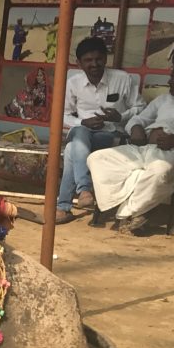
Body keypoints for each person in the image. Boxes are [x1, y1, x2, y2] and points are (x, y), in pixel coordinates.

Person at [86, 59, 174, 235]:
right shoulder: (164, 100)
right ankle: (128, 206)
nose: (169, 82)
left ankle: (129, 214)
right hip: (146, 148)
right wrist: (136, 129)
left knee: (159, 170)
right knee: (97, 159)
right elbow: (139, 119)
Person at [55, 36, 142, 223]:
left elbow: (141, 108)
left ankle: (66, 205)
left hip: (111, 135)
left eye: (98, 59)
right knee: (78, 136)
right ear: (79, 63)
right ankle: (83, 191)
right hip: (82, 134)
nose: (94, 64)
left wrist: (120, 116)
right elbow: (62, 114)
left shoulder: (122, 79)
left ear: (105, 58)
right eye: (88, 60)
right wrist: (83, 123)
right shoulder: (74, 83)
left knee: (72, 148)